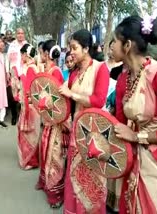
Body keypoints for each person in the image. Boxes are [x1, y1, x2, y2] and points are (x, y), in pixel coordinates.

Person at [111, 15, 157, 214]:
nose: (111, 46)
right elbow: (120, 122)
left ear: (127, 45)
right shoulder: (123, 80)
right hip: (133, 156)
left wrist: (137, 136)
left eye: (115, 41)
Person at [59, 29, 109, 214]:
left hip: (94, 130)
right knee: (75, 173)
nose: (71, 52)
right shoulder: (75, 72)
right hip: (77, 127)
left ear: (86, 48)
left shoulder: (100, 68)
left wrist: (71, 94)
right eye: (70, 48)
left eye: (74, 48)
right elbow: (66, 95)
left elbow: (98, 100)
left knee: (93, 175)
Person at [35, 40, 66, 208]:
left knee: (54, 155)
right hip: (47, 118)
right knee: (45, 150)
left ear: (46, 54)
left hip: (55, 120)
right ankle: (45, 182)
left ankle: (56, 193)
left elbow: (58, 100)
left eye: (41, 53)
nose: (40, 55)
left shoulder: (56, 72)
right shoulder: (48, 70)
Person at [17, 43, 40, 170]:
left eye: (22, 54)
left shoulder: (30, 69)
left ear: (26, 54)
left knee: (28, 133)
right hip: (30, 104)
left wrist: (25, 108)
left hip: (29, 106)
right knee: (30, 133)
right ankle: (31, 159)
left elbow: (29, 89)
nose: (21, 57)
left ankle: (30, 161)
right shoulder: (32, 67)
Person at [7, 28, 28, 125]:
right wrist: (7, 72)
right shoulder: (12, 45)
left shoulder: (27, 45)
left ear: (24, 34)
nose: (20, 35)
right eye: (18, 33)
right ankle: (14, 116)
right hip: (13, 74)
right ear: (16, 34)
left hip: (24, 74)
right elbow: (7, 60)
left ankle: (22, 116)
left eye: (22, 33)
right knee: (13, 96)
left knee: (23, 96)